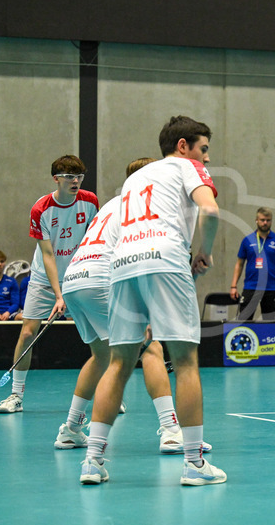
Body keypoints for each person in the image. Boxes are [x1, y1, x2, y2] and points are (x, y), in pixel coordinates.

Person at [79, 115, 225, 486]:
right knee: (186, 360)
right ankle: (194, 464)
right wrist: (202, 253)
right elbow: (209, 210)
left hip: (123, 266)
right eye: (203, 149)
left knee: (118, 363)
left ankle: (93, 461)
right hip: (166, 259)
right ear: (183, 146)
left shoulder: (134, 178)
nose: (206, 159)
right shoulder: (188, 168)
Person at [54, 158, 210, 455]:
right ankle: (171, 430)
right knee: (151, 348)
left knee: (102, 356)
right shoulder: (140, 203)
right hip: (102, 276)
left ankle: (71, 429)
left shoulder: (111, 204)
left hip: (74, 279)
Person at [0, 155, 99, 413]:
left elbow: (92, 239)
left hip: (78, 275)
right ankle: (16, 396)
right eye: (69, 177)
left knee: (97, 337)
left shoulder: (89, 201)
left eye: (79, 177)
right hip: (44, 278)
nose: (75, 181)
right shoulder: (41, 209)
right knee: (28, 332)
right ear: (56, 179)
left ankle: (107, 392)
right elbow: (48, 254)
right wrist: (58, 294)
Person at [230, 207, 275, 320]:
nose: (265, 223)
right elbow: (239, 264)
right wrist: (233, 286)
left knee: (269, 324)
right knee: (244, 321)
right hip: (251, 286)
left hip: (271, 288)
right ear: (256, 220)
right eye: (262, 220)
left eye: (268, 220)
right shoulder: (247, 240)